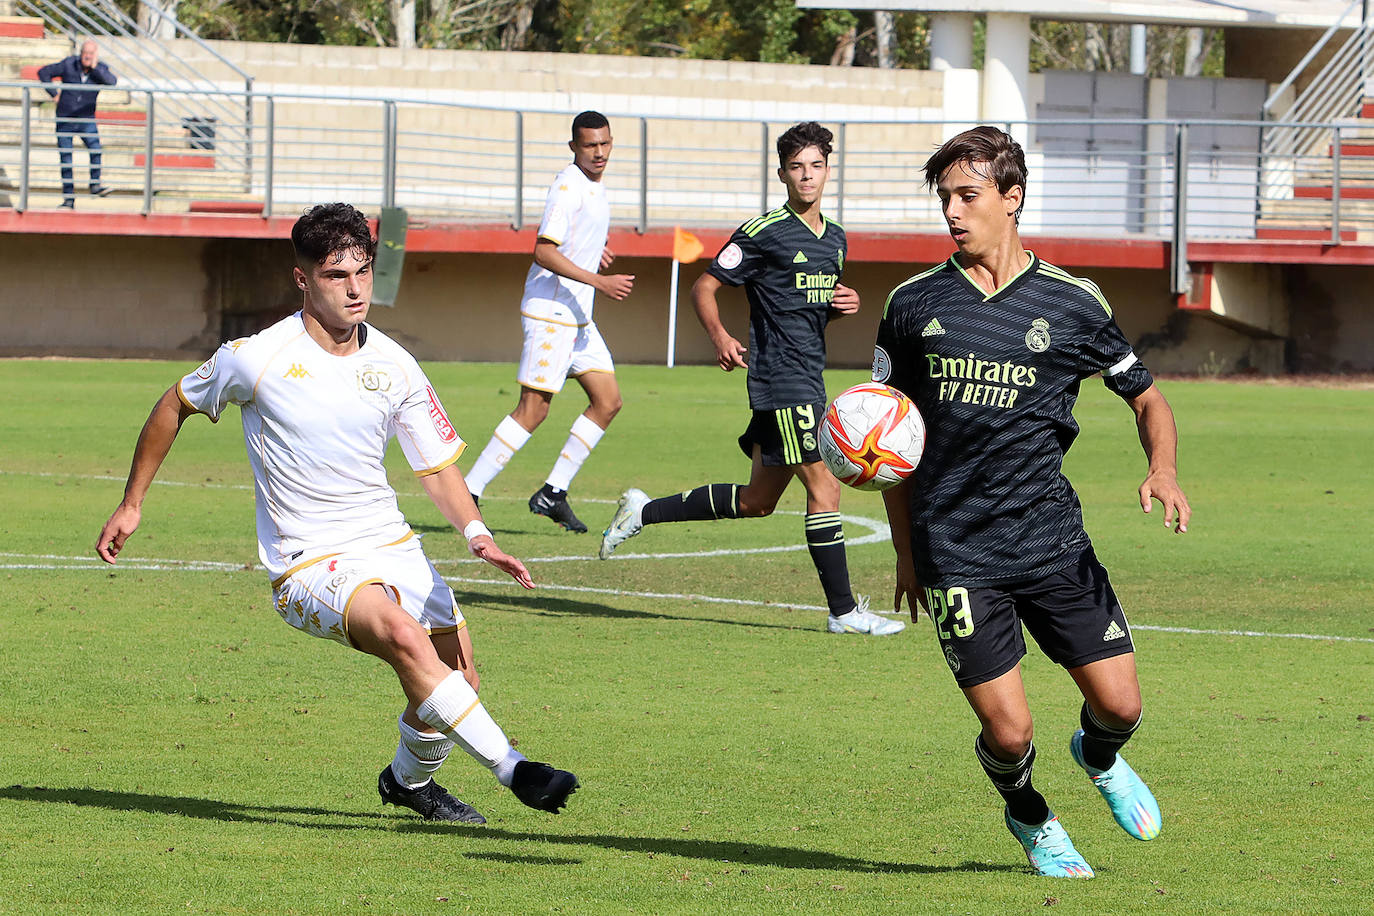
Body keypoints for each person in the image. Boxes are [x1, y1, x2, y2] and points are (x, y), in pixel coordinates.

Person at [95, 203, 578, 824]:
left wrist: (478, 534)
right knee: (407, 640)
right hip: (309, 560)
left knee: (457, 679)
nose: (355, 290)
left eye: (363, 272)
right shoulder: (256, 356)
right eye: (335, 276)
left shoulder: (396, 363)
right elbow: (173, 405)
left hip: (390, 542)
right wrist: (132, 503)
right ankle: (515, 768)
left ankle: (407, 783)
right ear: (303, 280)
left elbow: (435, 466)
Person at [873, 126, 1191, 877]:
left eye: (967, 195)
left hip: (1052, 543)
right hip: (956, 550)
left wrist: (1164, 470)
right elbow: (884, 440)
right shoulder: (913, 305)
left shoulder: (1071, 303)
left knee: (1120, 708)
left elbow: (1148, 399)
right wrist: (907, 552)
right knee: (1010, 734)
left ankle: (1099, 756)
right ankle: (1032, 818)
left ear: (1011, 198)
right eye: (944, 197)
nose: (951, 211)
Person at [599, 121, 904, 638]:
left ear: (828, 170)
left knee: (756, 502)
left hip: (809, 375)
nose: (806, 176)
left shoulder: (835, 239)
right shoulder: (762, 233)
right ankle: (844, 612)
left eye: (815, 166)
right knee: (824, 486)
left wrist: (839, 308)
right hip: (780, 379)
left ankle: (643, 511)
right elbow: (703, 287)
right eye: (796, 167)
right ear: (782, 173)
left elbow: (803, 310)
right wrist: (719, 336)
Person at [463, 110, 635, 533]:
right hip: (551, 314)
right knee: (534, 410)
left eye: (605, 144)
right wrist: (599, 279)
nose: (599, 152)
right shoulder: (568, 187)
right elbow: (543, 250)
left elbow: (572, 242)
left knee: (608, 401)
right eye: (590, 145)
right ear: (574, 147)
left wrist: (596, 252)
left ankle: (552, 493)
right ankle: (467, 493)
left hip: (578, 317)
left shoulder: (597, 188)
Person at [38, 40, 116, 209]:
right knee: (66, 159)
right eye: (85, 53)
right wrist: (54, 93)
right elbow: (43, 72)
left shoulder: (100, 69)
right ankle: (68, 199)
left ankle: (95, 185)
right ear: (80, 53)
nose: (87, 56)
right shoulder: (69, 64)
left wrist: (95, 68)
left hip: (86, 118)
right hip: (65, 117)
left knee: (95, 149)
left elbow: (112, 82)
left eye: (91, 53)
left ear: (95, 55)